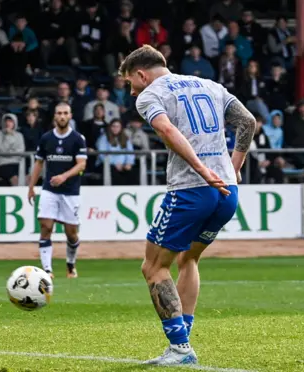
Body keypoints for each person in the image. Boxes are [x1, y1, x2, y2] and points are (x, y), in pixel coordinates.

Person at [119, 45, 255, 365]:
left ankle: (180, 348)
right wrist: (233, 167)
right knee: (188, 259)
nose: (131, 89)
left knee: (153, 267)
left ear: (141, 74)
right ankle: (182, 344)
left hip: (192, 190)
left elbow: (166, 129)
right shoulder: (209, 84)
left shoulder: (150, 94)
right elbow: (247, 121)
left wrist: (202, 169)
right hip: (226, 192)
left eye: (130, 81)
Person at [27, 102, 87, 279]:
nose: (62, 116)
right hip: (49, 190)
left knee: (71, 233)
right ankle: (47, 270)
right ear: (55, 116)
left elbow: (82, 164)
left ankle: (70, 264)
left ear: (70, 116)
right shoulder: (46, 138)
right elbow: (39, 163)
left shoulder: (77, 139)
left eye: (65, 113)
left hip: (71, 191)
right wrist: (31, 187)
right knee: (46, 227)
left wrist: (64, 176)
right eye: (59, 113)